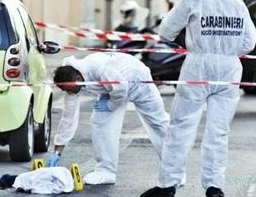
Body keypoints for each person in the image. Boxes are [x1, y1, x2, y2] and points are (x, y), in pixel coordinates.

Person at [140, 0, 256, 197]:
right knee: (219, 131)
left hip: (198, 66)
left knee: (182, 126)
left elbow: (165, 31)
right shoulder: (237, 4)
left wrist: (188, 40)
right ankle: (214, 187)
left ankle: (168, 185)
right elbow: (249, 43)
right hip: (229, 69)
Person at [47, 52, 170, 185]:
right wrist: (57, 152)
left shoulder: (98, 68)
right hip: (111, 89)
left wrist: (110, 104)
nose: (68, 93)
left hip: (137, 79)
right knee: (100, 123)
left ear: (78, 78)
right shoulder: (70, 84)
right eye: (64, 90)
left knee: (158, 123)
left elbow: (121, 89)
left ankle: (174, 171)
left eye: (69, 89)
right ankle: (106, 171)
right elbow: (68, 119)